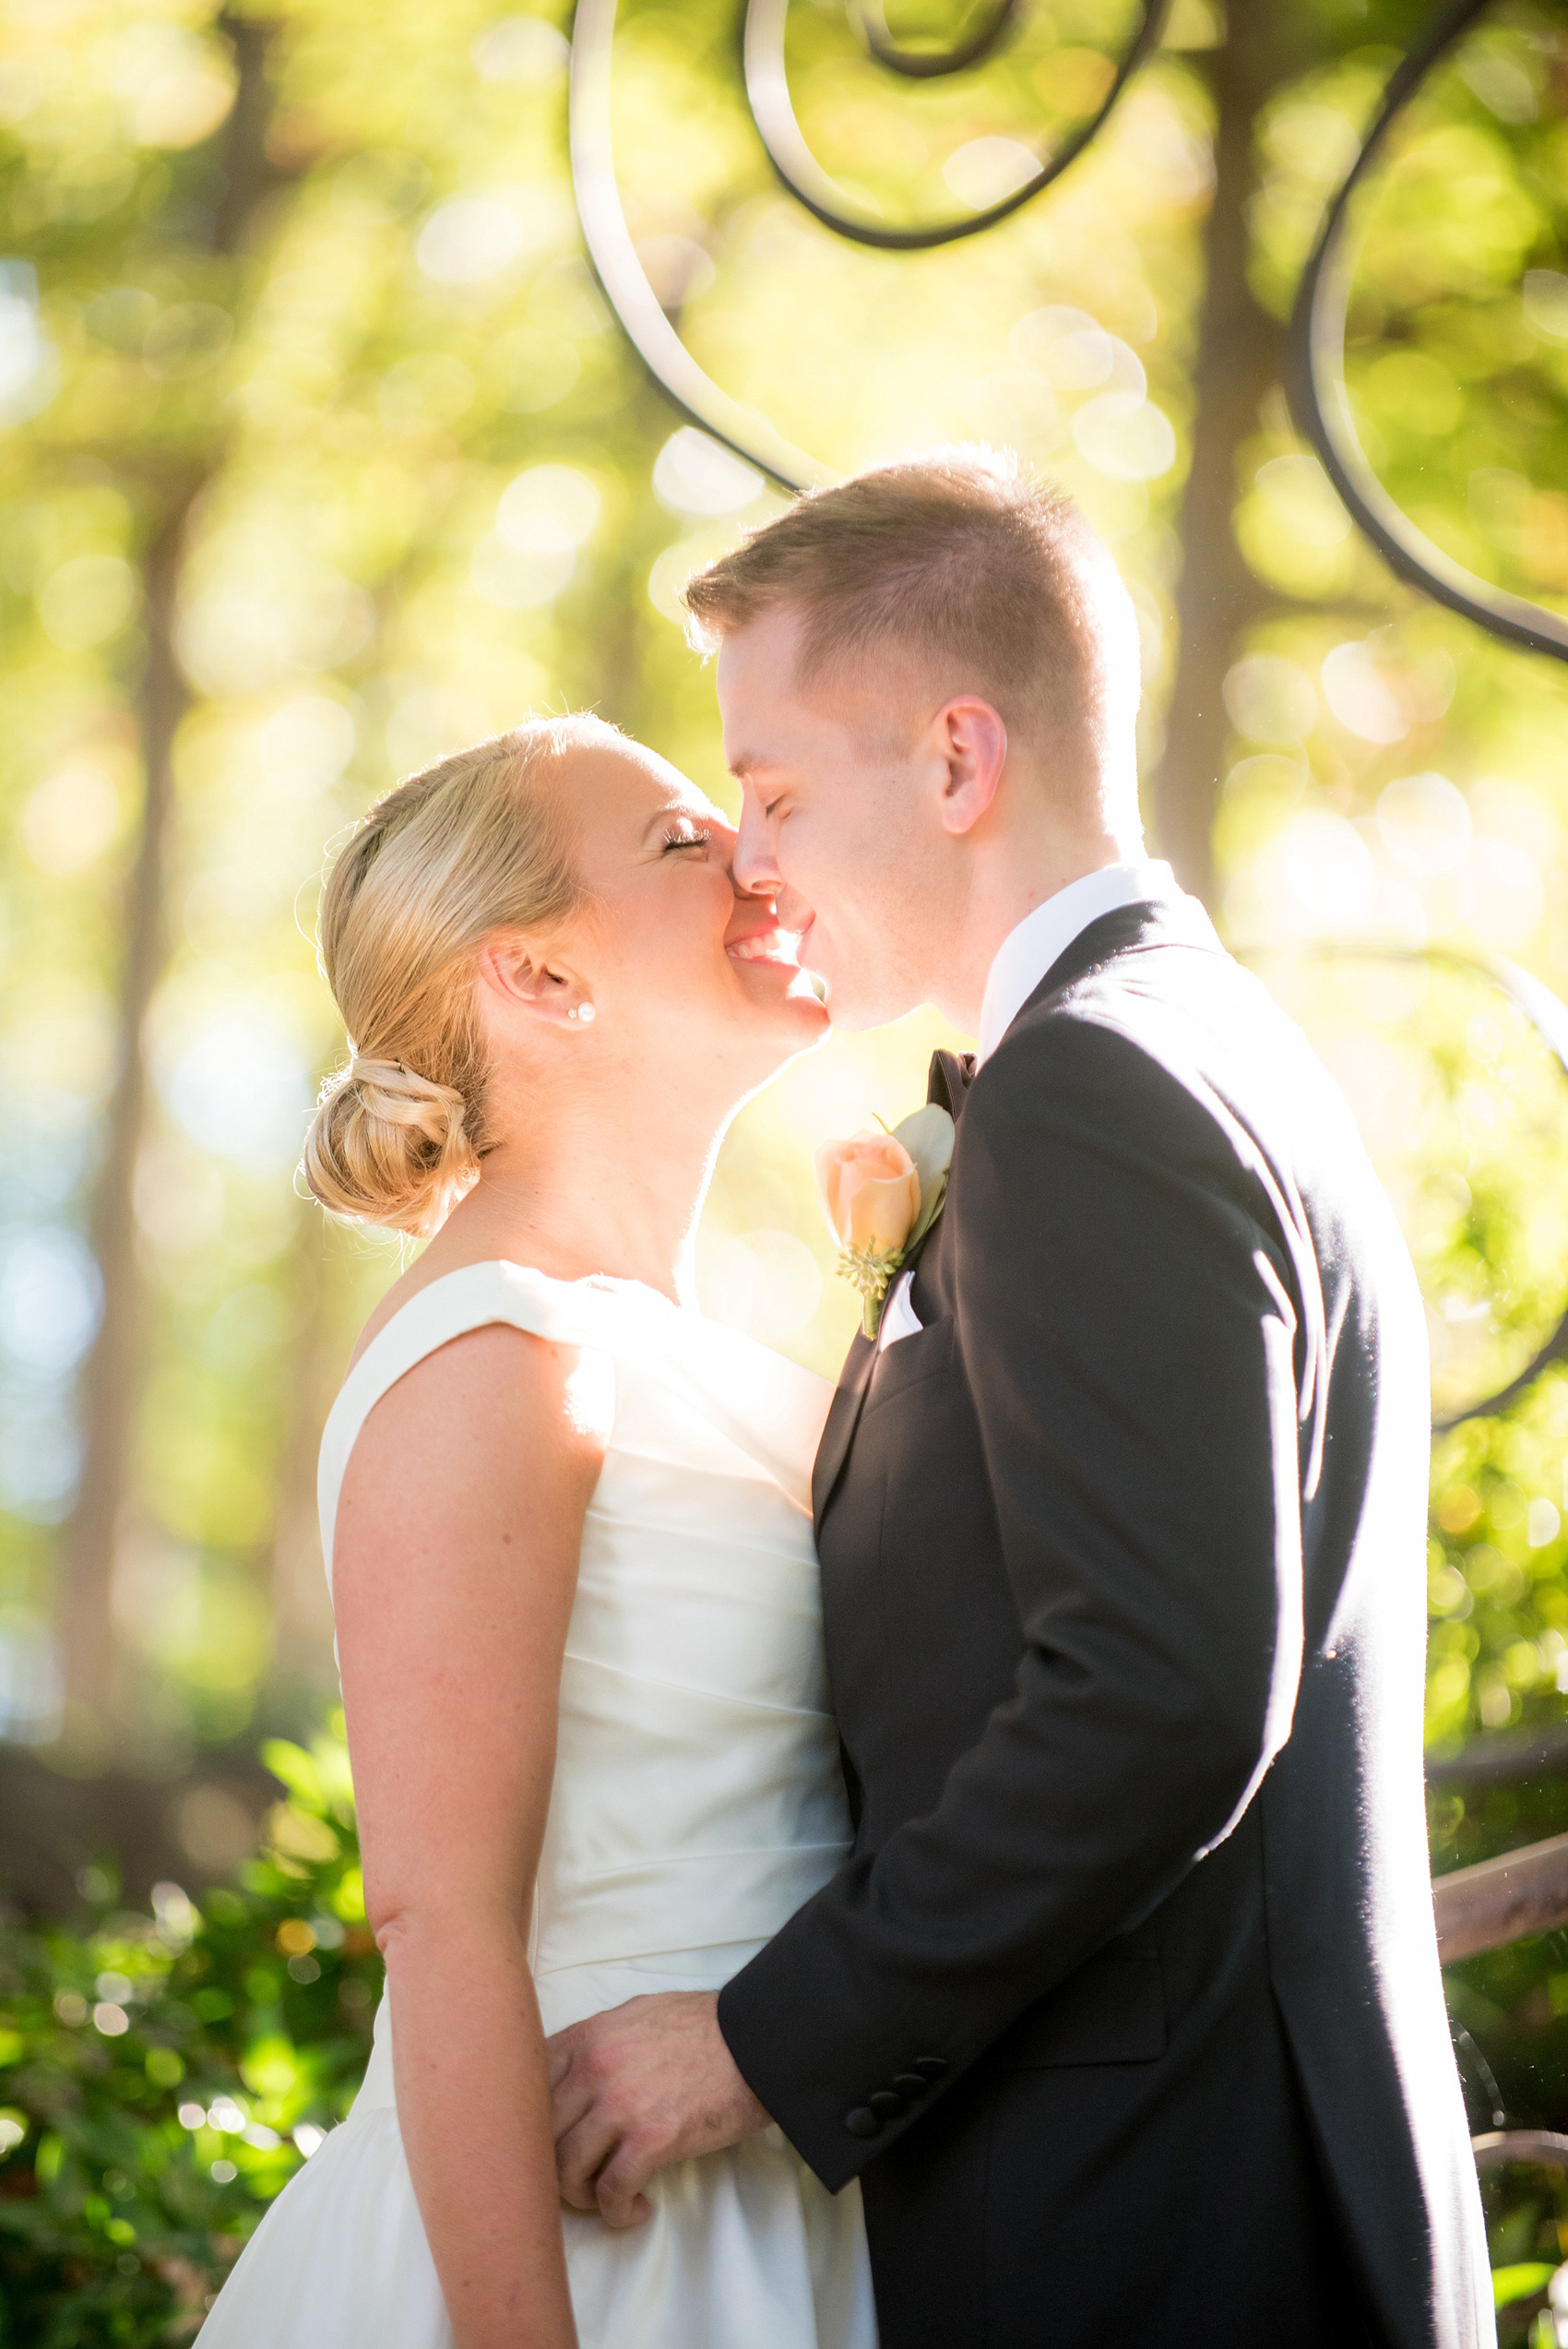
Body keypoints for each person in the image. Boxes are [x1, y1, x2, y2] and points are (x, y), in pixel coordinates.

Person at [545, 451, 1495, 2349]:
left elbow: (1155, 1683)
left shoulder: (1092, 1090)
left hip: (1165, 2225)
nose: (754, 860)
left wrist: (759, 2042)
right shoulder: (1187, 1044)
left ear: (959, 760)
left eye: (779, 791)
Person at [197, 716, 877, 2349]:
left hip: (795, 2182)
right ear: (543, 980)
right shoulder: (492, 1349)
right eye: (675, 840)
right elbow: (442, 1924)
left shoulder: (673, 1338)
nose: (751, 855)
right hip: (602, 2243)